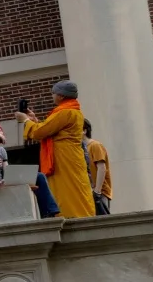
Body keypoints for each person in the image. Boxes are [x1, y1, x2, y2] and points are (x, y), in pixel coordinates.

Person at [21, 82, 95, 219]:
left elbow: (40, 132)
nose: (52, 96)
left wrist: (26, 121)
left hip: (64, 158)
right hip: (69, 156)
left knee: (67, 190)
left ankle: (72, 216)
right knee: (74, 188)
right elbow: (49, 129)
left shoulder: (65, 112)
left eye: (53, 93)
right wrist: (35, 120)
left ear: (61, 96)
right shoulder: (73, 111)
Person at [86, 119, 113, 215]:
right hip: (89, 193)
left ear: (84, 131)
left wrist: (97, 191)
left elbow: (102, 167)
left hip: (100, 193)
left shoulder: (95, 146)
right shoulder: (81, 148)